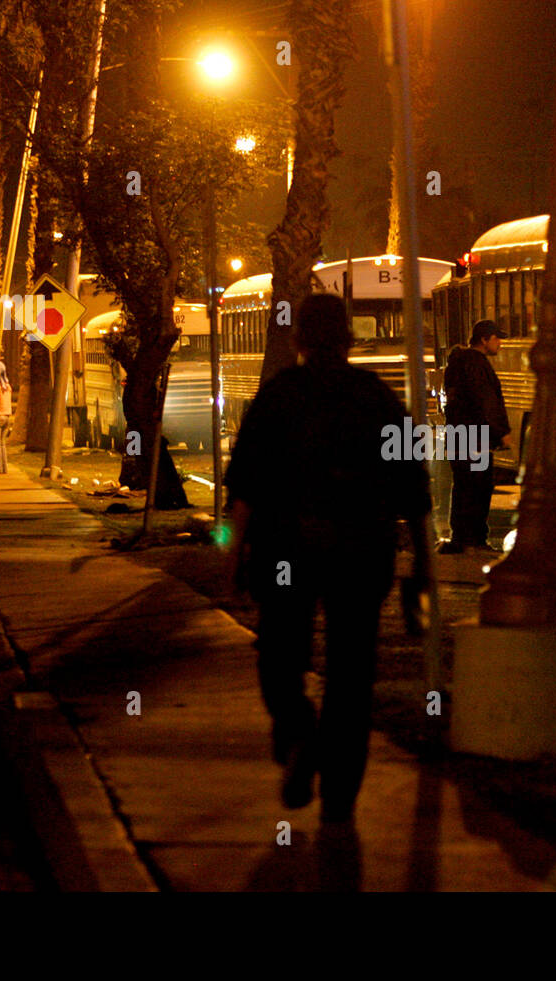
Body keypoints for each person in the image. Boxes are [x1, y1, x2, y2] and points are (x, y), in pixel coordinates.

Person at [220, 293, 431, 825]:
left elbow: (243, 490)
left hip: (286, 548)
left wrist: (232, 557)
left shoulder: (278, 397)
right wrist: (424, 566)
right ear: (349, 337)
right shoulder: (377, 399)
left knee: (280, 655)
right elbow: (414, 493)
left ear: (298, 339)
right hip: (361, 552)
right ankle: (340, 789)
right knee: (352, 671)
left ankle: (296, 735)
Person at [438, 319, 510, 554]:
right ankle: (476, 538)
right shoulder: (477, 365)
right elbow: (486, 401)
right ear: (484, 340)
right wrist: (501, 432)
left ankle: (461, 536)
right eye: (496, 338)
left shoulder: (458, 363)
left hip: (460, 436)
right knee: (479, 488)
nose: (499, 343)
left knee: (463, 487)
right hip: (476, 437)